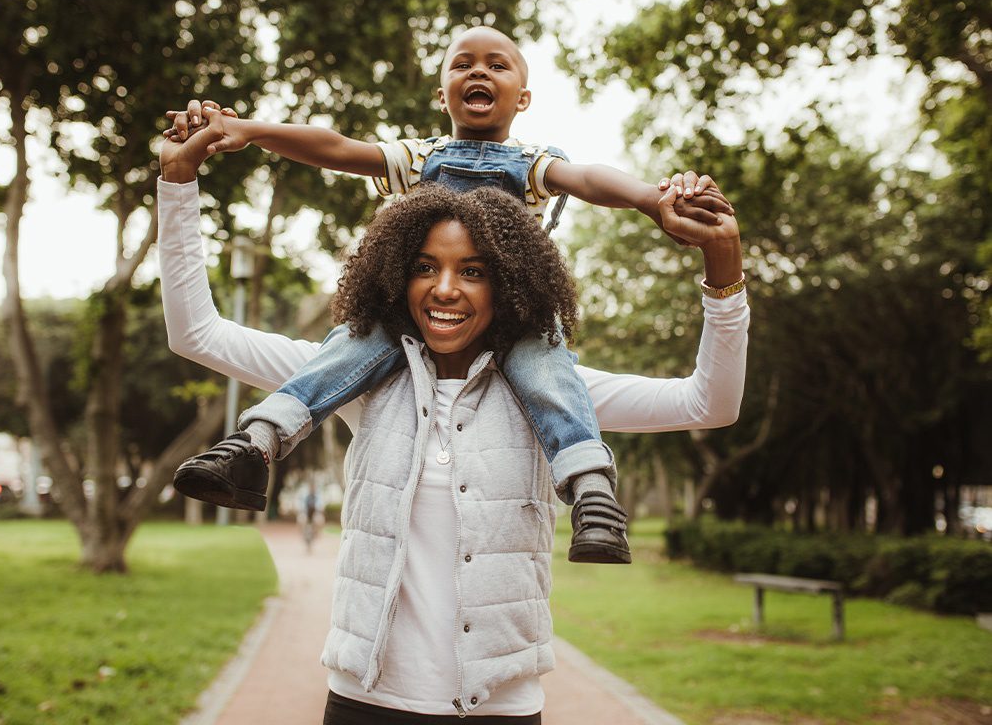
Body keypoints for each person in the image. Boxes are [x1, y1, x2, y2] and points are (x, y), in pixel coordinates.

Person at [157, 123, 748, 721]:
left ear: (511, 284)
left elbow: (710, 404)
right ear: (395, 278)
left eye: (473, 271)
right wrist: (178, 182)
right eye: (424, 267)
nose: (445, 290)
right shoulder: (355, 379)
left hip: (501, 708)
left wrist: (723, 267)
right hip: (366, 703)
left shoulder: (557, 396)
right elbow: (196, 333)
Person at [166, 25, 734, 565]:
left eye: (496, 64)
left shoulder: (532, 163)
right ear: (443, 94)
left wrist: (648, 201)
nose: (478, 71)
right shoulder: (419, 155)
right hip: (395, 327)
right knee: (345, 349)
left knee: (552, 377)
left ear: (524, 97)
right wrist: (251, 132)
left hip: (521, 322)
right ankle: (257, 443)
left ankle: (591, 491)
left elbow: (586, 179)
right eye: (462, 64)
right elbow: (338, 148)